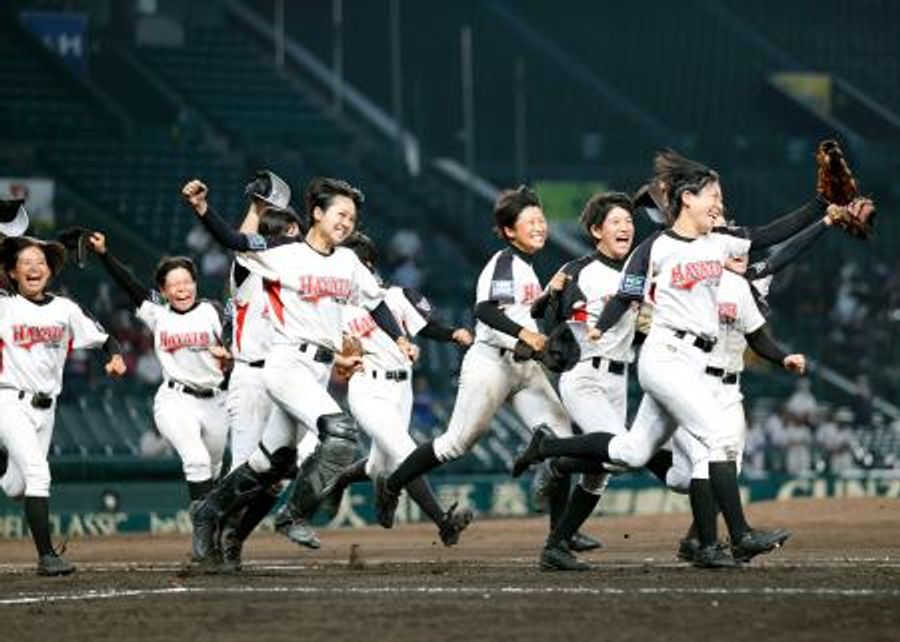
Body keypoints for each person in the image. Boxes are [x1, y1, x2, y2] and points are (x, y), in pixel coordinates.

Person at [514, 150, 839, 568]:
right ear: (688, 198)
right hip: (664, 357)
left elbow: (771, 235)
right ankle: (736, 536)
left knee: (634, 454)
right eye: (713, 195)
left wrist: (821, 205)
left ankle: (551, 455)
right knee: (717, 439)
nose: (719, 203)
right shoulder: (653, 248)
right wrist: (599, 325)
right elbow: (626, 295)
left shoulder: (720, 241)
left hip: (686, 363)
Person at [183, 176, 416, 570]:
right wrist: (203, 209)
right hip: (287, 363)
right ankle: (293, 516)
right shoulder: (284, 253)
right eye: (340, 214)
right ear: (318, 213)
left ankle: (208, 512)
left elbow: (375, 303)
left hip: (318, 370)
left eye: (352, 217)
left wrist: (399, 338)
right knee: (340, 434)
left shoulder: (348, 262)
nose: (347, 222)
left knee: (270, 463)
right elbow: (235, 241)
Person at [373, 186, 575, 544]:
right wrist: (526, 335)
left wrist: (549, 302)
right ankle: (392, 485)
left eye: (541, 220)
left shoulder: (527, 269)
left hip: (524, 367)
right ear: (509, 230)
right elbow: (485, 311)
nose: (539, 226)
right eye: (529, 221)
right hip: (490, 364)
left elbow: (526, 314)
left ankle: (559, 540)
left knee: (562, 439)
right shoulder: (505, 263)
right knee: (455, 444)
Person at [289, 232, 475, 546]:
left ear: (367, 265)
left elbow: (427, 326)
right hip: (367, 388)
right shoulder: (334, 308)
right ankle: (443, 522)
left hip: (402, 389)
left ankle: (341, 480)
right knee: (405, 452)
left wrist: (453, 333)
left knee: (380, 466)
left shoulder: (396, 296)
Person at [0, 236, 126, 576]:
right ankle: (47, 557)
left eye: (40, 262)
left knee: (17, 487)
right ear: (11, 272)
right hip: (9, 400)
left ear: (50, 271)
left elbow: (106, 338)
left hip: (47, 407)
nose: (34, 267)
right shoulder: (5, 305)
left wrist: (115, 356)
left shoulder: (65, 309)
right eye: (25, 262)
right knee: (39, 474)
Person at [86, 233, 230, 515]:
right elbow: (128, 283)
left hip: (215, 401)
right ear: (163, 291)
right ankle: (204, 532)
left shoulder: (212, 310)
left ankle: (211, 526)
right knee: (197, 461)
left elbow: (234, 344)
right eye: (174, 284)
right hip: (177, 399)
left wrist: (230, 354)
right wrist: (103, 253)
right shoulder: (158, 313)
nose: (182, 288)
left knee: (213, 468)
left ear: (196, 283)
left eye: (187, 281)